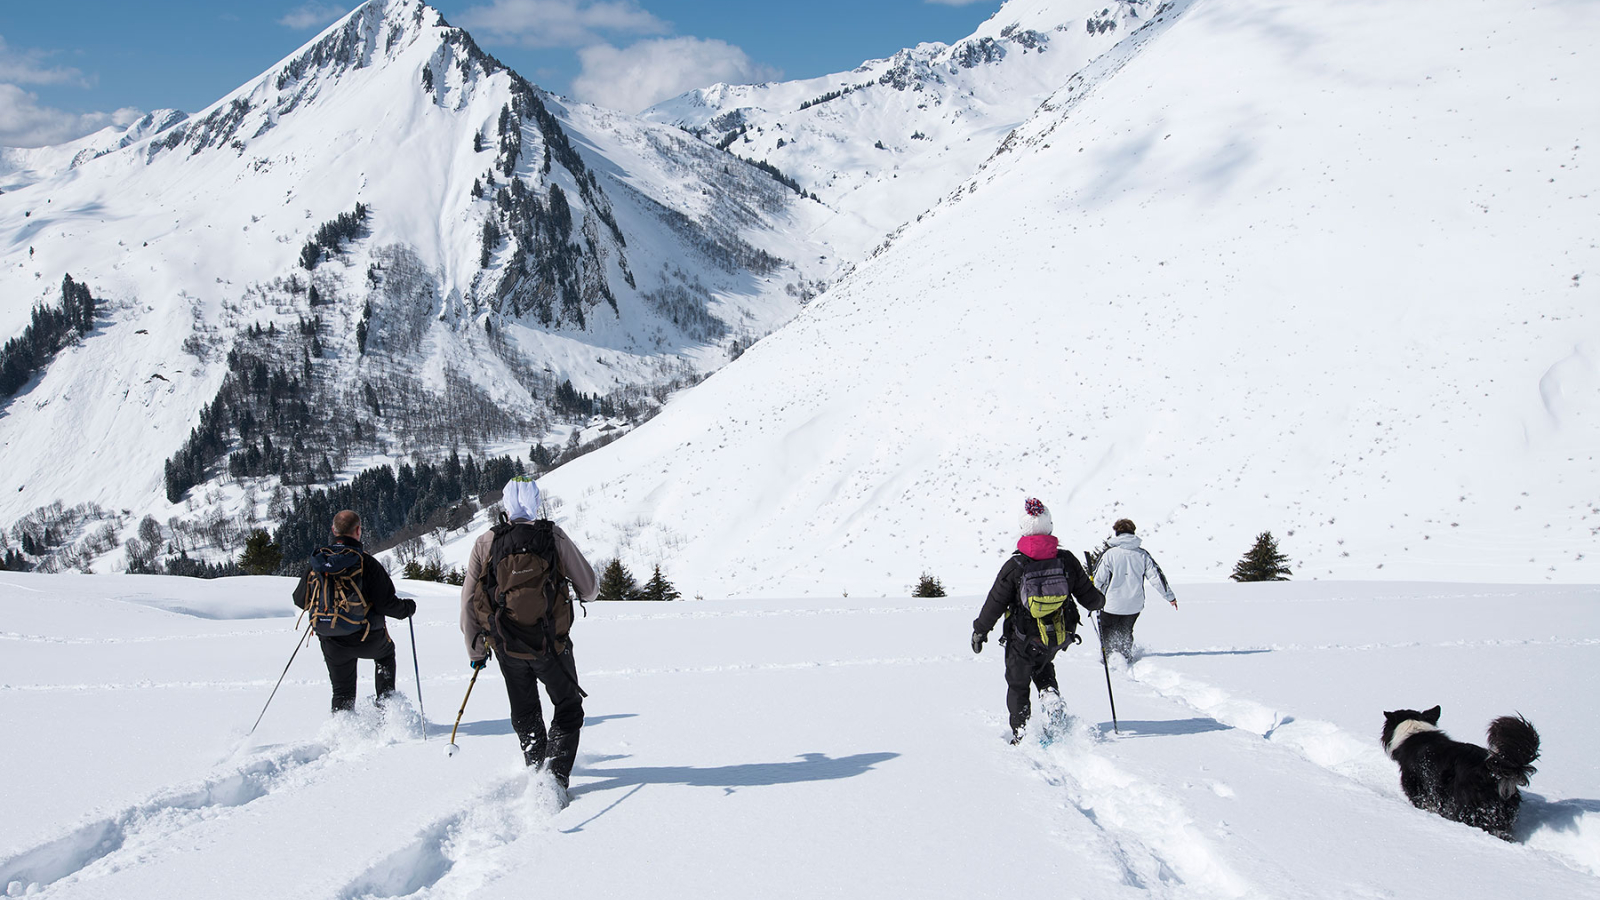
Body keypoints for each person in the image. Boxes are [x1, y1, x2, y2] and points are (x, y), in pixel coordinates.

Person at [461, 476, 599, 792]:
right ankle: (554, 779)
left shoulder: (486, 542)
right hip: (552, 644)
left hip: (507, 645)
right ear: (536, 502)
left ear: (506, 506)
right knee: (567, 707)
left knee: (525, 712)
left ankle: (537, 769)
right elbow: (590, 590)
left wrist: (476, 650)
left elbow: (468, 601)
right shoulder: (552, 536)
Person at [971, 498, 1105, 741]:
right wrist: (1099, 599)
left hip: (1022, 638)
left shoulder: (1015, 566)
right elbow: (1092, 600)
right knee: (1043, 666)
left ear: (1023, 530)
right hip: (1057, 635)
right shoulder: (1066, 560)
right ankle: (1050, 695)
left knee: (1018, 682)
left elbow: (994, 603)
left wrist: (980, 631)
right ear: (1050, 527)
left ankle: (1022, 733)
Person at [292, 510, 416, 712]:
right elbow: (387, 605)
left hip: (331, 639)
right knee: (385, 655)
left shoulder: (318, 563)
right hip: (368, 637)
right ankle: (388, 714)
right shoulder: (366, 562)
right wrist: (408, 608)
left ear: (333, 530)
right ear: (358, 530)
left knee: (342, 692)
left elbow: (300, 601)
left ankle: (343, 733)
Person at [1091, 518, 1177, 661]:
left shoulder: (1110, 555)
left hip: (1110, 604)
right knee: (1126, 630)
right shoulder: (1142, 554)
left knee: (1107, 631)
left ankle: (1109, 658)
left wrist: (1090, 598)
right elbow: (1157, 578)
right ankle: (1125, 655)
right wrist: (1170, 597)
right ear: (1133, 532)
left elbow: (1098, 579)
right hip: (1134, 604)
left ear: (1117, 533)